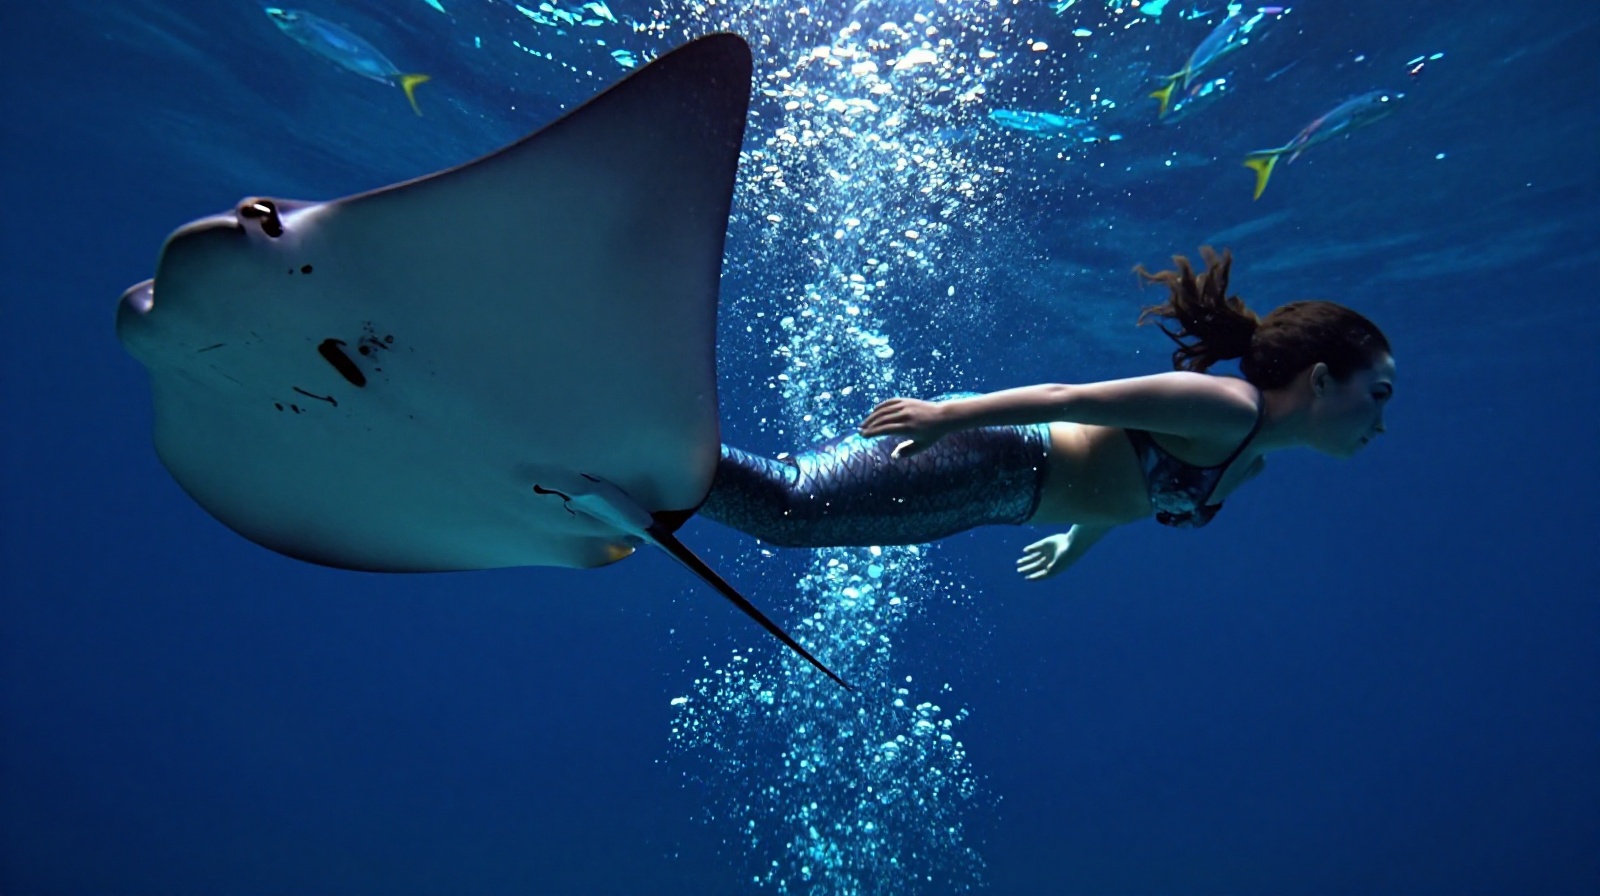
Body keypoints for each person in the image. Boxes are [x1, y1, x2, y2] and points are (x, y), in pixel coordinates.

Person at [698, 247, 1394, 579]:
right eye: (1379, 394)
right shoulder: (1224, 407)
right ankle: (648, 447)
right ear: (1324, 380)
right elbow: (1070, 399)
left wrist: (1074, 539)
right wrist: (945, 418)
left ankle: (645, 464)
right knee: (791, 505)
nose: (1381, 422)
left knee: (791, 521)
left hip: (998, 497)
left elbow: (1131, 485)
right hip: (993, 453)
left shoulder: (1251, 464)